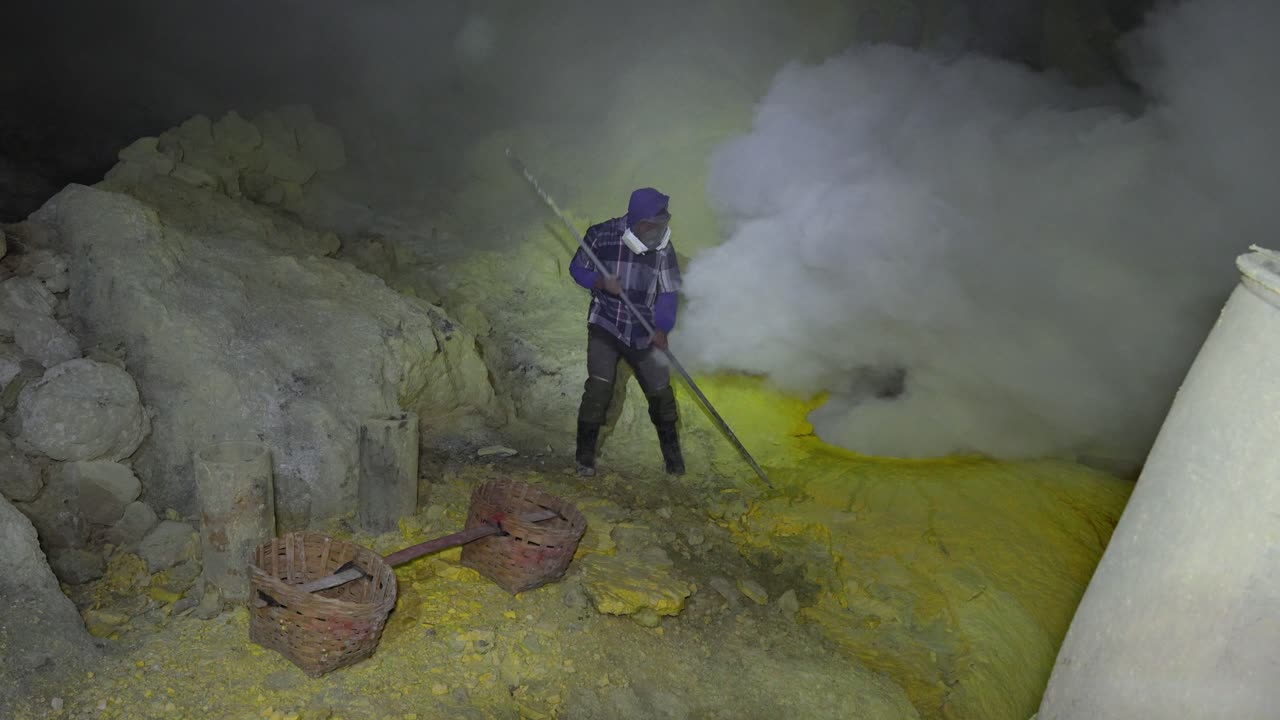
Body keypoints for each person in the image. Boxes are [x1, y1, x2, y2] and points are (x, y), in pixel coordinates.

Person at [567, 187, 683, 477]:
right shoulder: (601, 235)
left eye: (663, 225)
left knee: (661, 395)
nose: (659, 232)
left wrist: (662, 327)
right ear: (640, 222)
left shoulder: (662, 249)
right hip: (606, 322)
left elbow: (669, 292)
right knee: (599, 389)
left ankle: (674, 465)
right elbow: (576, 268)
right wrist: (600, 282)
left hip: (643, 331)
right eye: (654, 226)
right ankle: (584, 459)